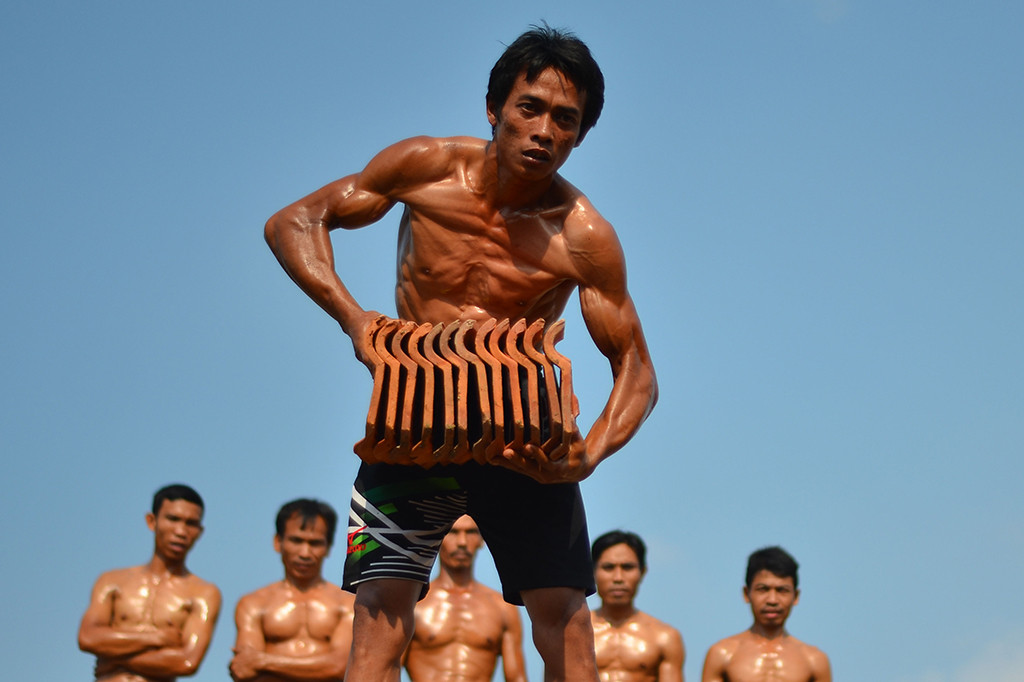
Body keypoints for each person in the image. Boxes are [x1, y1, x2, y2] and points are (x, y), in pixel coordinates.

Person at [265, 25, 657, 682]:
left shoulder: (583, 235)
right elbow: (294, 223)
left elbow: (637, 372)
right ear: (494, 108)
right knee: (377, 610)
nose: (543, 131)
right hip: (411, 422)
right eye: (529, 107)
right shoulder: (424, 166)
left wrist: (585, 454)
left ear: (581, 135)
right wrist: (354, 319)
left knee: (564, 614)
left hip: (524, 434)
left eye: (566, 119)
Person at [78, 484, 222, 682]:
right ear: (151, 521)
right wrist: (157, 639)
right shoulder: (112, 582)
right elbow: (87, 637)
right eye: (173, 519)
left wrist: (114, 658)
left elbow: (187, 661)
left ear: (200, 531)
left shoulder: (202, 594)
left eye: (191, 523)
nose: (181, 531)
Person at [230, 498, 355, 682]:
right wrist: (320, 667)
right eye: (296, 541)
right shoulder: (254, 604)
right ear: (278, 542)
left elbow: (340, 666)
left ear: (328, 547)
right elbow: (245, 669)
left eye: (315, 543)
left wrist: (263, 661)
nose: (305, 553)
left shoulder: (348, 604)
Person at [404, 515, 528, 682]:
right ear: (438, 538)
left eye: (471, 532)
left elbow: (517, 677)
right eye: (453, 532)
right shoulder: (414, 604)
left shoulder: (502, 608)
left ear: (481, 538)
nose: (462, 542)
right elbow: (390, 669)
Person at [701, 547, 831, 682]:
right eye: (763, 589)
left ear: (796, 596)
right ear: (747, 593)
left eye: (782, 590)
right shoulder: (722, 654)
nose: (772, 600)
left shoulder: (814, 660)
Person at [590, 531, 685, 682]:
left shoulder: (664, 637)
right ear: (592, 571)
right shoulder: (574, 633)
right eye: (608, 567)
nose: (618, 578)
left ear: (642, 572)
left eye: (627, 567)